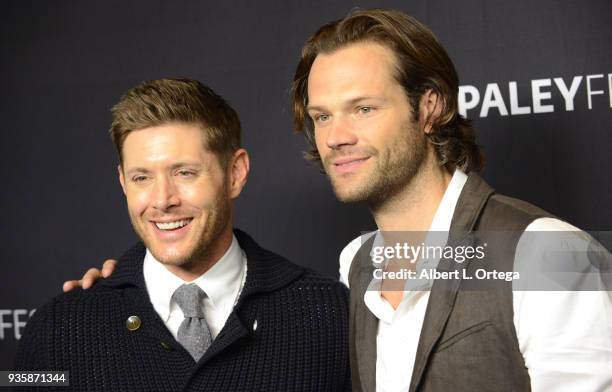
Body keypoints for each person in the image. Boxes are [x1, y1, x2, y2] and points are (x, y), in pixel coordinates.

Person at [63, 9, 612, 392]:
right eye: (323, 116)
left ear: (431, 107)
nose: (335, 136)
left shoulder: (545, 255)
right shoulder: (357, 266)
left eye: (364, 109)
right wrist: (126, 287)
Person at [15, 78, 351, 391]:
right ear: (122, 182)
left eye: (185, 173)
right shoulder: (57, 329)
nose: (163, 200)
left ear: (235, 173)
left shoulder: (330, 314)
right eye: (142, 178)